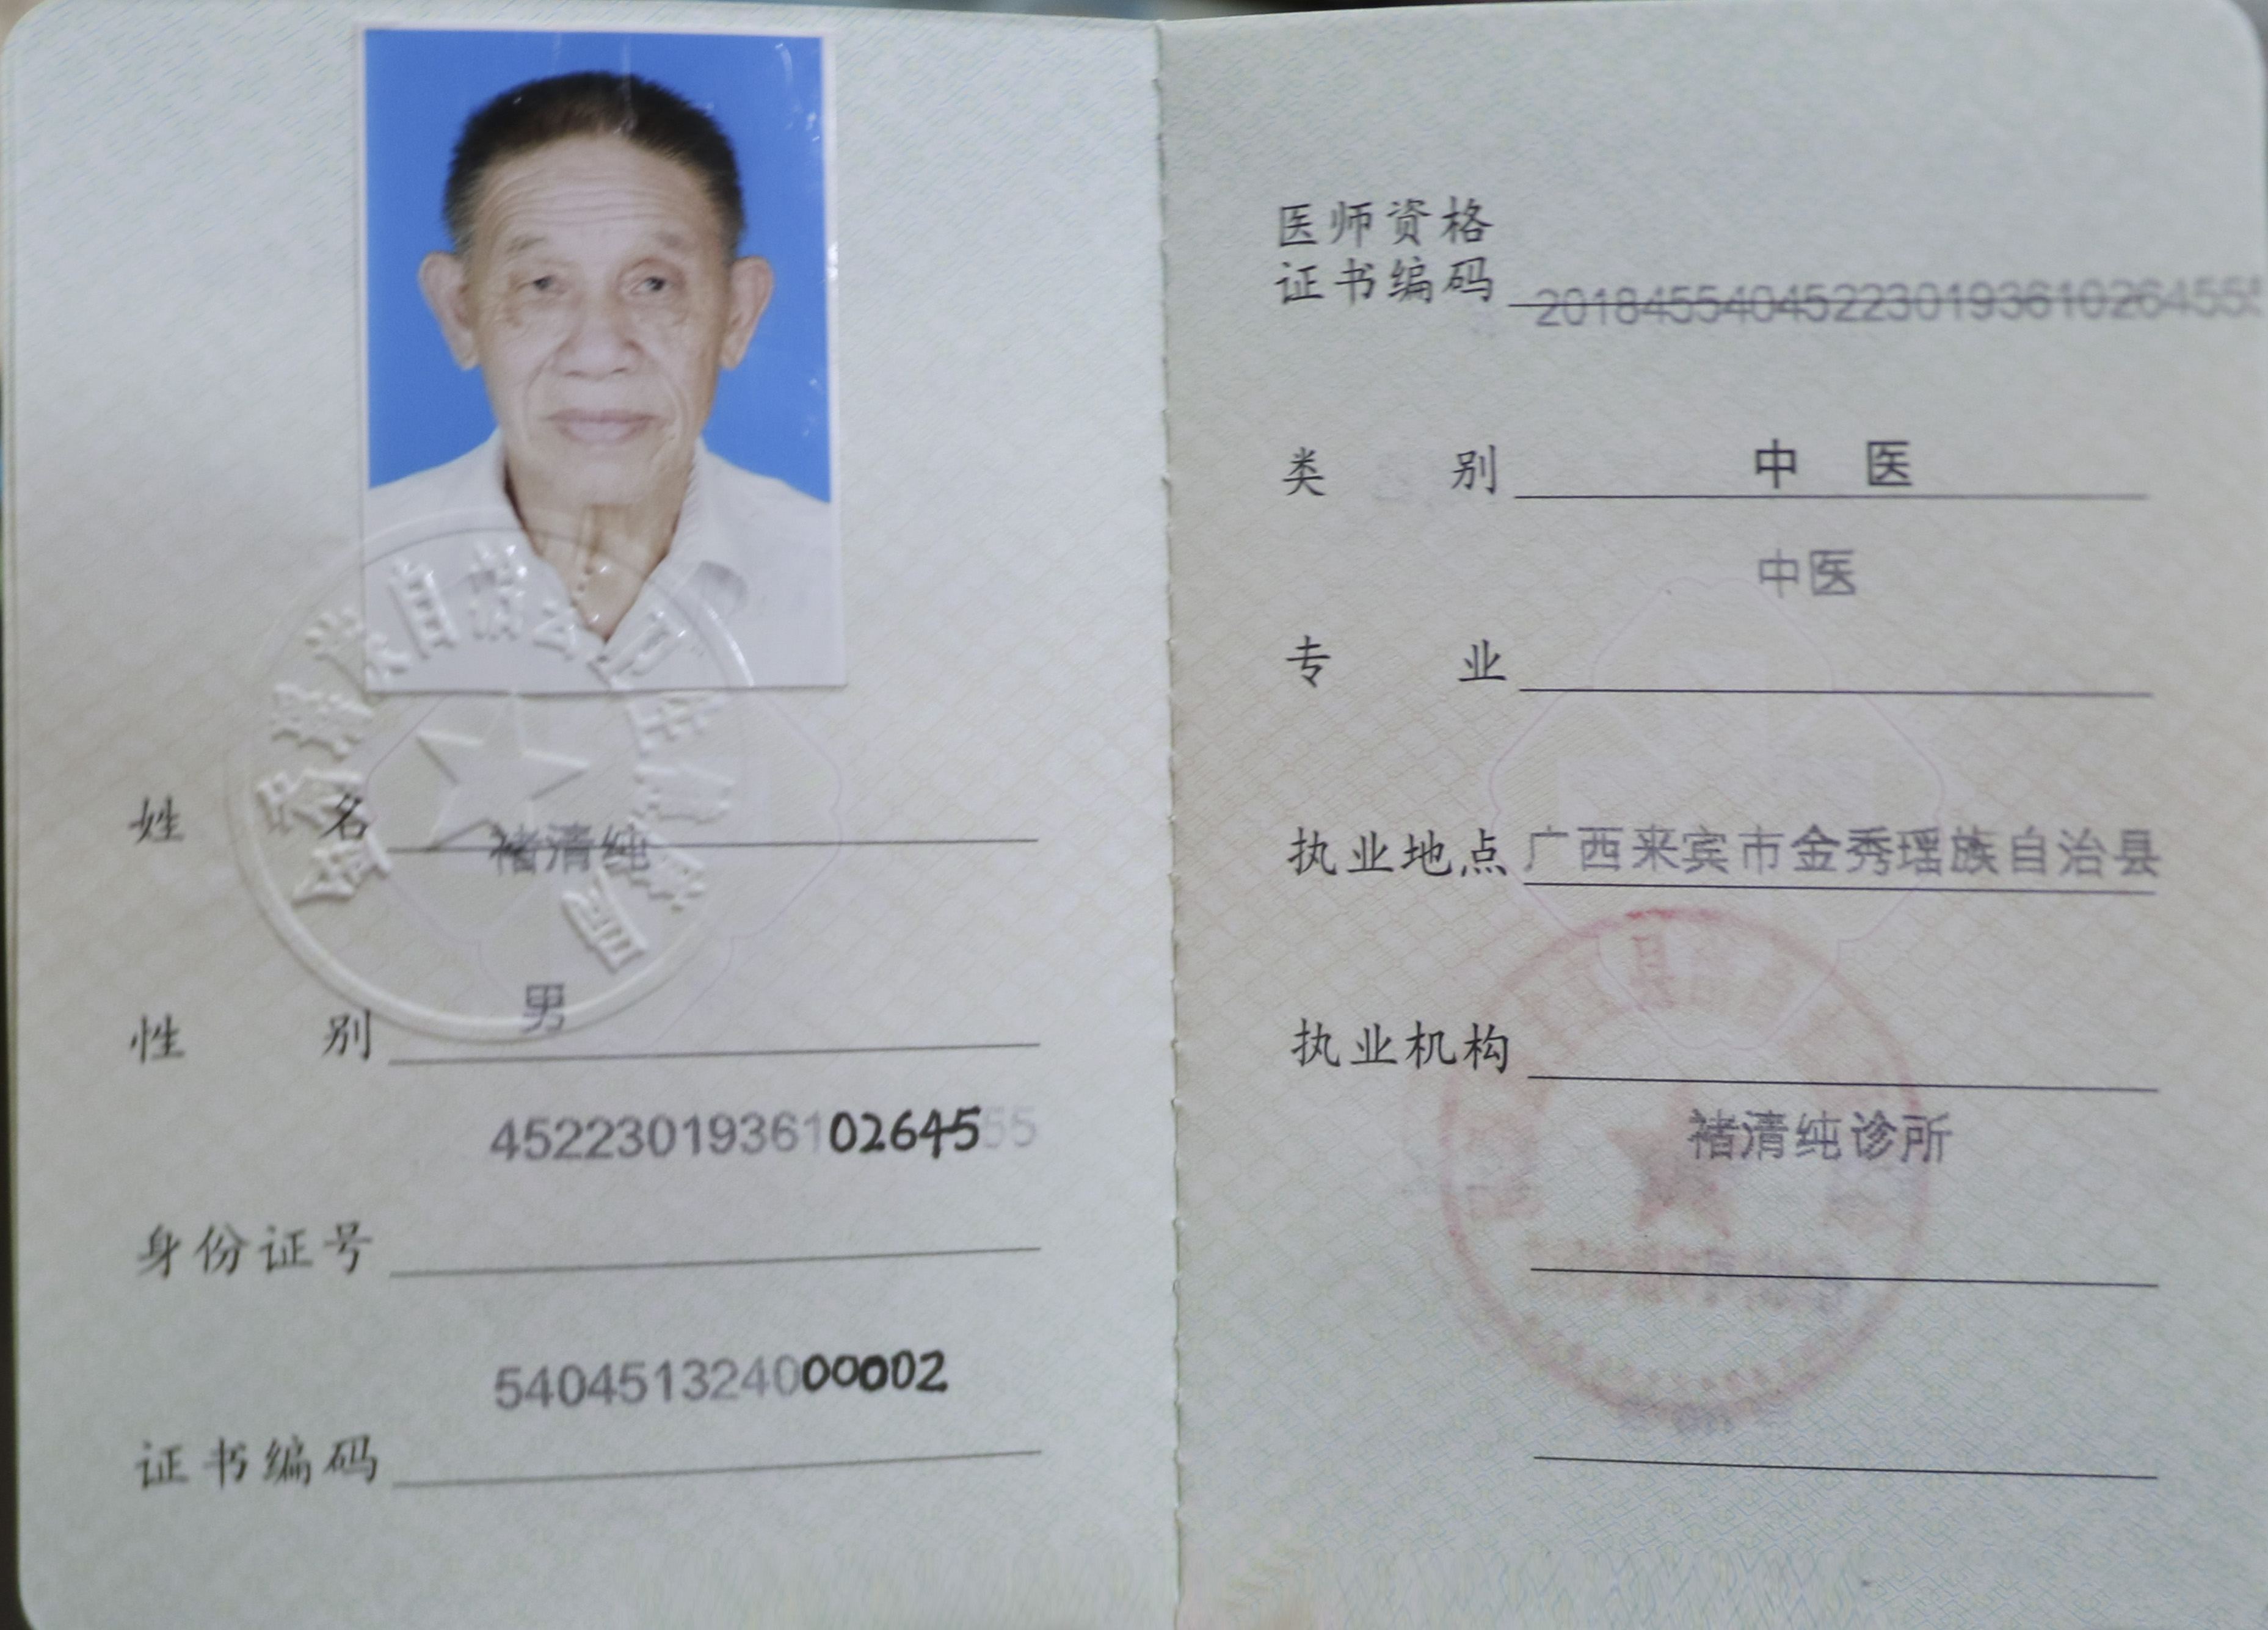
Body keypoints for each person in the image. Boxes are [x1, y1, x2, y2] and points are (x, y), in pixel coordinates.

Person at [363, 71, 841, 691]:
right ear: (460, 313)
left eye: (653, 284)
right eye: (543, 285)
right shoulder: (360, 561)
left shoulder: (834, 573)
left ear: (738, 314)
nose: (598, 353)